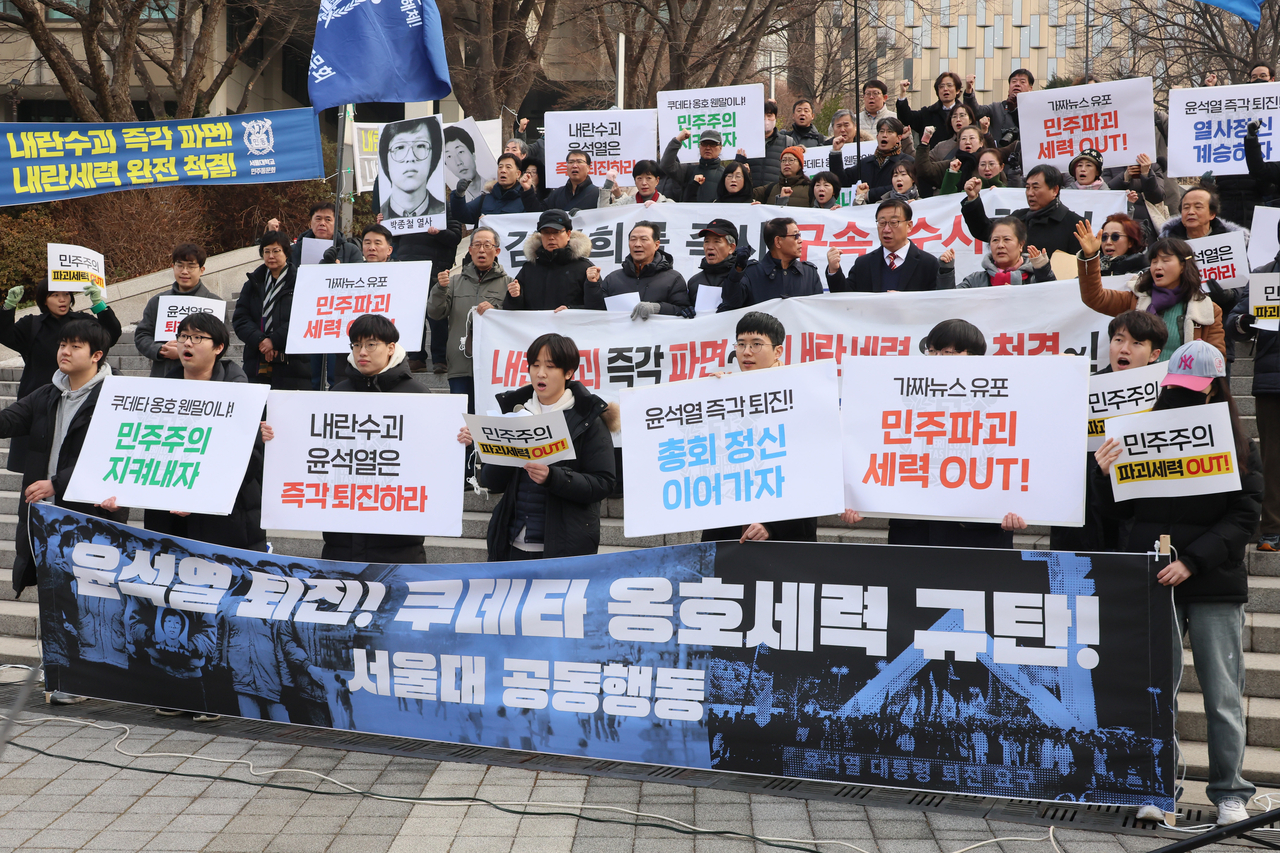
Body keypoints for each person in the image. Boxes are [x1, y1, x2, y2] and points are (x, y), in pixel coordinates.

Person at [1093, 339, 1260, 827]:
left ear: (1215, 391)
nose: (1181, 398)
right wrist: (1104, 475)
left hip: (1212, 582)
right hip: (1155, 578)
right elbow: (1117, 514)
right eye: (1175, 389)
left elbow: (1244, 515)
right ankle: (1154, 785)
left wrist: (1193, 560)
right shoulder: (1139, 433)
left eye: (1192, 391)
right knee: (1154, 691)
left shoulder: (1240, 444)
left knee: (1224, 694)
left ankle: (1231, 791)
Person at [841, 319, 1028, 547]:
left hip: (977, 535)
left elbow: (1013, 457)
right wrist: (862, 505)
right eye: (932, 351)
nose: (938, 358)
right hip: (914, 535)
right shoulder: (904, 397)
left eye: (947, 352)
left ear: (974, 355)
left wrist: (1020, 508)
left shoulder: (999, 400)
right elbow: (882, 451)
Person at [265, 314, 430, 564]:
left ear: (391, 348)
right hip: (340, 538)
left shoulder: (418, 394)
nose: (361, 352)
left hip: (398, 540)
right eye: (355, 345)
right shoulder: (338, 393)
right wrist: (276, 436)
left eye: (370, 344)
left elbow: (430, 460)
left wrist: (459, 441)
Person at [456, 333, 618, 561]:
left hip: (563, 549)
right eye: (535, 365)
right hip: (510, 543)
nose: (540, 373)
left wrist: (553, 477)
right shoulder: (515, 413)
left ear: (568, 373)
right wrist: (486, 445)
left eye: (550, 366)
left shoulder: (588, 419)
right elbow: (492, 481)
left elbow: (604, 483)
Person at [0, 319, 126, 595]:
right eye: (62, 345)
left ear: (97, 355)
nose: (64, 351)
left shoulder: (118, 397)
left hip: (90, 515)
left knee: (90, 604)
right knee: (54, 602)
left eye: (74, 346)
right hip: (45, 515)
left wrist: (58, 483)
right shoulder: (46, 394)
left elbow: (115, 455)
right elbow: (7, 422)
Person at [124, 313, 266, 552]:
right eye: (183, 336)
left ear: (219, 347)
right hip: (168, 519)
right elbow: (142, 453)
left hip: (225, 522)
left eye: (198, 337)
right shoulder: (159, 395)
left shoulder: (241, 395)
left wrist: (201, 495)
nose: (187, 343)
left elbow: (251, 463)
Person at [1049, 310, 1168, 553]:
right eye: (1119, 340)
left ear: (1154, 354)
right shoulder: (1083, 389)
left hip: (1136, 521)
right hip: (1082, 518)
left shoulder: (1165, 400)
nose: (1125, 349)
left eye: (1136, 343)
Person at [702, 312, 817, 543]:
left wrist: (772, 525)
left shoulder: (801, 395)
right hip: (728, 523)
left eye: (756, 344)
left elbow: (807, 469)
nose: (746, 352)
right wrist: (712, 400)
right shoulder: (726, 391)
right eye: (741, 344)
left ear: (778, 351)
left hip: (784, 533)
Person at [0, 278, 121, 473]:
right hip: (39, 398)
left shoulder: (83, 323)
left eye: (66, 294)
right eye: (55, 295)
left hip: (79, 396)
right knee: (37, 466)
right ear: (43, 300)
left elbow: (112, 334)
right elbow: (5, 334)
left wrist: (99, 305)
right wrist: (8, 307)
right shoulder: (32, 324)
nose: (62, 300)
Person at [1075, 222, 1225, 356]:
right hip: (1141, 384)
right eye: (1154, 261)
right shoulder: (1135, 299)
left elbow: (1216, 359)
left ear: (1183, 267)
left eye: (1165, 260)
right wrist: (1090, 257)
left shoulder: (1209, 309)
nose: (1157, 266)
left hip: (1180, 386)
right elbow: (1094, 297)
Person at [268, 202, 360, 391]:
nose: (322, 224)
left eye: (328, 219)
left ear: (336, 224)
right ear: (310, 222)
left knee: (338, 374)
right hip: (306, 318)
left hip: (338, 320)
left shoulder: (351, 250)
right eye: (318, 219)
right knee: (309, 375)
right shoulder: (295, 250)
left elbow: (359, 284)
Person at [1227, 242, 1280, 550]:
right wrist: (1243, 322)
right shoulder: (1264, 277)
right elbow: (1234, 323)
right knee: (1273, 456)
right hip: (1273, 379)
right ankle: (1272, 528)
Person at [428, 227, 512, 413]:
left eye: (487, 245)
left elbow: (516, 322)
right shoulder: (454, 282)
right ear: (470, 250)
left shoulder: (509, 284)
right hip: (460, 364)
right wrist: (440, 289)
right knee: (462, 421)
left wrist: (496, 310)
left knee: (490, 418)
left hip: (494, 368)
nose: (482, 250)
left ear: (497, 251)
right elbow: (435, 313)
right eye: (477, 245)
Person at [232, 230, 311, 389]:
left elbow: (304, 319)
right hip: (257, 359)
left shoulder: (301, 282)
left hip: (293, 366)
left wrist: (274, 340)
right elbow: (240, 319)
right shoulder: (253, 284)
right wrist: (261, 340)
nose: (271, 256)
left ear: (286, 253)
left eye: (276, 251)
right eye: (266, 251)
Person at [135, 243, 223, 378]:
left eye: (191, 266)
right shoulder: (158, 301)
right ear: (172, 267)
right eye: (180, 265)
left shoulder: (214, 303)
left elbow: (220, 344)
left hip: (202, 378)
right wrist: (160, 350)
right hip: (163, 374)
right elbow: (142, 335)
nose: (184, 271)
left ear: (202, 269)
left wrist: (183, 351)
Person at [827, 200, 954, 292]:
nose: (886, 229)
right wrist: (834, 270)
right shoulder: (863, 264)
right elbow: (845, 300)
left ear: (909, 226)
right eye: (882, 223)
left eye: (894, 222)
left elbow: (937, 305)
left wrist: (906, 303)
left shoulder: (928, 264)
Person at [962, 164, 1083, 256]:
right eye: (1027, 187)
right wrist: (973, 198)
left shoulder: (1074, 224)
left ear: (1055, 190)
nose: (1030, 193)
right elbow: (984, 230)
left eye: (1035, 187)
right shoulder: (1018, 218)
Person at [588, 222, 691, 318]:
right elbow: (597, 313)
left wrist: (656, 308)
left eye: (643, 239)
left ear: (656, 245)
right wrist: (592, 285)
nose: (637, 244)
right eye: (633, 239)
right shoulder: (613, 279)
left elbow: (683, 310)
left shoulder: (673, 279)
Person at [719, 217, 823, 310]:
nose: (800, 240)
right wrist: (738, 269)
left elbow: (818, 312)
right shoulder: (751, 273)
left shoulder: (810, 273)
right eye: (795, 236)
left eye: (799, 235)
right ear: (778, 241)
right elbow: (731, 301)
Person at [505, 209, 596, 312]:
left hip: (569, 327)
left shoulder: (583, 268)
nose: (551, 237)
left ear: (568, 234)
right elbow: (511, 314)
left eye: (556, 232)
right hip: (535, 327)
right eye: (546, 232)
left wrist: (571, 310)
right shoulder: (529, 269)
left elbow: (598, 309)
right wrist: (515, 297)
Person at [964, 68, 1035, 176]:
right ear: (1008, 88)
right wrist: (969, 91)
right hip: (997, 169)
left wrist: (1014, 110)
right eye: (1014, 81)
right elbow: (975, 112)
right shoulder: (996, 108)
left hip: (1026, 169)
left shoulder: (1035, 111)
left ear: (1030, 88)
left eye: (1022, 82)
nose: (1017, 84)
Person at [830, 117, 912, 206]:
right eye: (881, 131)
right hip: (868, 214)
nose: (884, 135)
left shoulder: (907, 162)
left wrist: (869, 194)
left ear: (899, 138)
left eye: (889, 132)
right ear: (877, 137)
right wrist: (836, 152)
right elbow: (842, 180)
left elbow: (903, 187)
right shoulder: (867, 162)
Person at [957, 216, 1055, 288]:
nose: (1000, 245)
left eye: (1007, 239)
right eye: (995, 240)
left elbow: (1053, 299)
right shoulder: (976, 280)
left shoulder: (1034, 279)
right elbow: (950, 302)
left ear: (1021, 245)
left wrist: (1043, 270)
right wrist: (945, 270)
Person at [378, 118, 445, 221]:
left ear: (433, 157)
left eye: (420, 145)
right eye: (399, 147)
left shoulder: (445, 213)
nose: (410, 158)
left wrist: (440, 233)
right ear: (385, 160)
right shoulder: (380, 216)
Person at [450, 152, 540, 224]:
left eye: (508, 167)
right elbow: (461, 215)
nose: (503, 170)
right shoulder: (485, 199)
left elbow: (535, 220)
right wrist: (459, 195)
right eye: (500, 167)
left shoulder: (527, 200)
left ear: (518, 174)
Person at [1103, 153, 1167, 243]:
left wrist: (1146, 174)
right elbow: (1105, 194)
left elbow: (1158, 197)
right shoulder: (1112, 165)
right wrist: (1124, 177)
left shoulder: (1154, 165)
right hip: (1117, 220)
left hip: (1147, 223)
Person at [661, 128, 732, 203]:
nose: (708, 148)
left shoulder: (725, 174)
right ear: (699, 146)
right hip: (689, 214)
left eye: (712, 144)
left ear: (720, 148)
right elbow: (666, 166)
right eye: (704, 144)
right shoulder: (688, 171)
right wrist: (678, 140)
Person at [896, 72, 965, 145]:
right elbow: (906, 118)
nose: (945, 89)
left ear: (957, 90)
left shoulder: (966, 114)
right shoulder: (927, 113)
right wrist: (902, 93)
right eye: (941, 86)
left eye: (949, 85)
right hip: (931, 155)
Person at [852, 83, 917, 157]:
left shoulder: (897, 119)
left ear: (885, 98)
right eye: (868, 94)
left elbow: (908, 149)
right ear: (863, 97)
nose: (871, 97)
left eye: (875, 93)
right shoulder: (853, 120)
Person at [688, 219, 739, 310]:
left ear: (731, 247)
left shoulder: (743, 278)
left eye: (716, 241)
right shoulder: (694, 282)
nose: (710, 247)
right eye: (707, 241)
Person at [931, 125, 993, 196]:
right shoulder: (953, 164)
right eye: (963, 139)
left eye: (972, 138)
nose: (967, 142)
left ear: (981, 143)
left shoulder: (989, 163)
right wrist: (952, 173)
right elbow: (945, 195)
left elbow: (1001, 186)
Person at [747, 99, 797, 186]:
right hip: (752, 194)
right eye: (762, 116)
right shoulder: (747, 142)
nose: (766, 119)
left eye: (769, 115)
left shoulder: (787, 142)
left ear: (775, 117)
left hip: (777, 194)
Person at [598, 160, 671, 206]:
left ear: (657, 181)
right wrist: (608, 184)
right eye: (639, 178)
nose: (644, 183)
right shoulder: (626, 203)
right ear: (635, 181)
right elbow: (603, 214)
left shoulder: (667, 204)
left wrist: (659, 210)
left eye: (648, 178)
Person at [444, 126, 483, 203]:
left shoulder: (495, 188)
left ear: (473, 154)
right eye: (449, 156)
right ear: (447, 166)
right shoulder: (453, 200)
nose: (458, 162)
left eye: (460, 152)